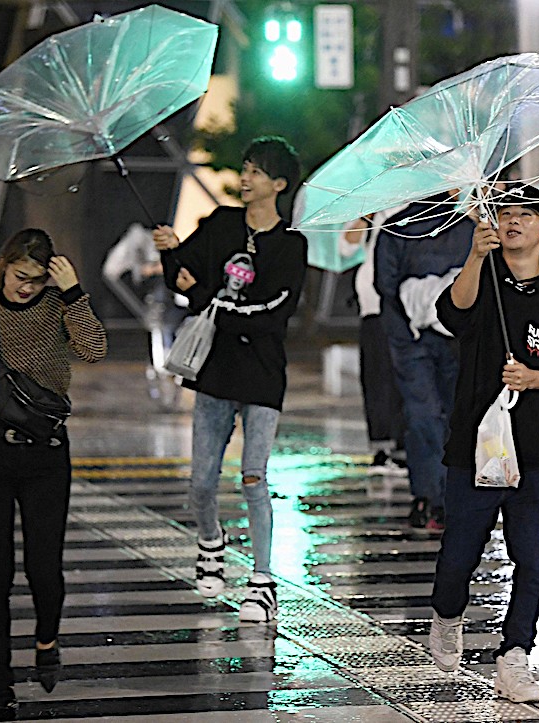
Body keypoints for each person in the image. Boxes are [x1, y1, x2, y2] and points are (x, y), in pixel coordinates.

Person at [428, 184, 539, 704]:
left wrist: (534, 378)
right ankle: (447, 616)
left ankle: (515, 657)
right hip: (474, 450)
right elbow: (451, 314)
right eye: (505, 214)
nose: (513, 222)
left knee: (533, 559)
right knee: (458, 557)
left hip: (535, 453)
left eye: (525, 215)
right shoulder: (482, 281)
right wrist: (475, 257)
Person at [0, 228, 107, 718]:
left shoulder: (58, 309)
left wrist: (73, 293)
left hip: (47, 456)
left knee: (44, 569)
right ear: (3, 266)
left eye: (36, 279)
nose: (26, 287)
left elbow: (94, 349)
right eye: (19, 276)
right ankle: (1, 683)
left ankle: (47, 641)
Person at [153, 136, 306, 622]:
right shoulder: (221, 224)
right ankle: (210, 541)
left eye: (256, 172)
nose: (245, 178)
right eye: (245, 168)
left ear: (279, 184)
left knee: (253, 476)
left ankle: (262, 581)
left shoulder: (291, 245)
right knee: (201, 483)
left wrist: (206, 298)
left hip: (262, 374)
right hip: (215, 370)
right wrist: (170, 253)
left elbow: (271, 315)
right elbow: (181, 278)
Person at [374, 193, 473, 529]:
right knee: (449, 413)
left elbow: (385, 284)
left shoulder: (396, 228)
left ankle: (428, 495)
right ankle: (444, 496)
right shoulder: (468, 228)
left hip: (409, 335)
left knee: (423, 413)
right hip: (454, 337)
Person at [338, 211, 407, 475]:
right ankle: (381, 447)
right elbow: (346, 247)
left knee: (403, 379)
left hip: (407, 305)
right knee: (376, 378)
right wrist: (366, 218)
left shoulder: (421, 203)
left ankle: (403, 448)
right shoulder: (374, 207)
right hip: (372, 306)